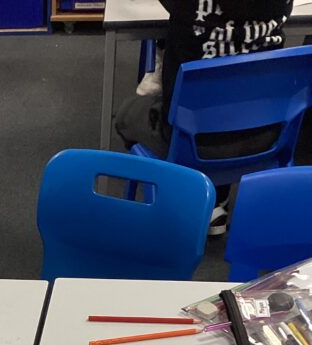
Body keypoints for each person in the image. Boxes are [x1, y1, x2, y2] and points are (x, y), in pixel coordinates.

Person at [115, 0, 293, 234]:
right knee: (229, 105)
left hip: (192, 141)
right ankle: (216, 200)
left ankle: (183, 204)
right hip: (267, 136)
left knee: (127, 115)